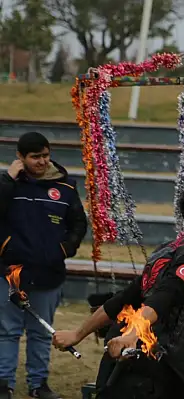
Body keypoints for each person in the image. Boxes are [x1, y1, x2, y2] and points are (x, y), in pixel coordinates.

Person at [52, 175, 184, 399]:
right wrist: (132, 334)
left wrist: (77, 334)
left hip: (149, 372)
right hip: (150, 377)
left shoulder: (179, 250)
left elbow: (124, 299)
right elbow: (165, 295)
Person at [0, 132, 88, 399]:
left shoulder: (65, 187)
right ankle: (4, 384)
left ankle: (39, 385)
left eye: (45, 155)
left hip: (49, 272)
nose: (41, 161)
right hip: (11, 272)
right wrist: (7, 180)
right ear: (21, 157)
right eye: (35, 157)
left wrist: (63, 249)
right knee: (7, 331)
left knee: (41, 333)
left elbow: (78, 224)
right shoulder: (9, 185)